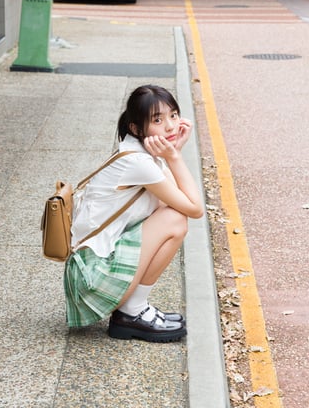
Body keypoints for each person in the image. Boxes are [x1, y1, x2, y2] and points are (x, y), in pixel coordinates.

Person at [64, 84, 204, 343]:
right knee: (175, 220)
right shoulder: (137, 162)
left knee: (170, 213)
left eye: (173, 115)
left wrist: (175, 153)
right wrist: (174, 158)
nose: (171, 126)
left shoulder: (139, 153)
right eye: (158, 120)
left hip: (91, 270)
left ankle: (133, 309)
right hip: (91, 280)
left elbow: (175, 200)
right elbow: (195, 209)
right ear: (137, 129)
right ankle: (131, 312)